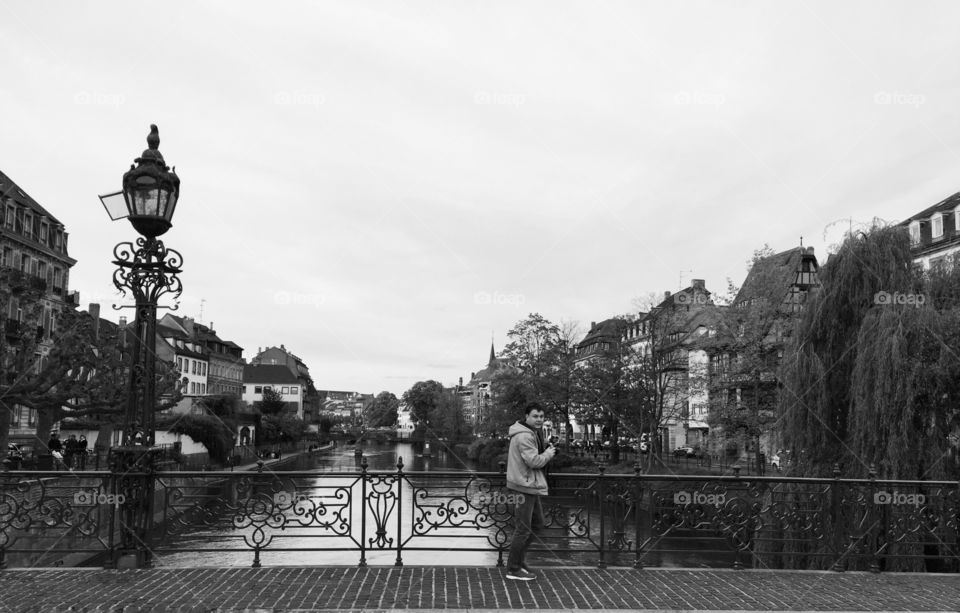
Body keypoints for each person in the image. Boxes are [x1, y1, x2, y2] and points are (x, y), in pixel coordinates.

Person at [504, 402, 556, 581]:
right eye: (535, 416)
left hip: (528, 485)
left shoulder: (530, 433)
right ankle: (513, 569)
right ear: (527, 416)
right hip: (523, 487)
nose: (539, 420)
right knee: (523, 529)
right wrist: (549, 453)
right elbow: (534, 461)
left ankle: (518, 561)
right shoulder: (525, 436)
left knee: (537, 524)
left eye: (541, 416)